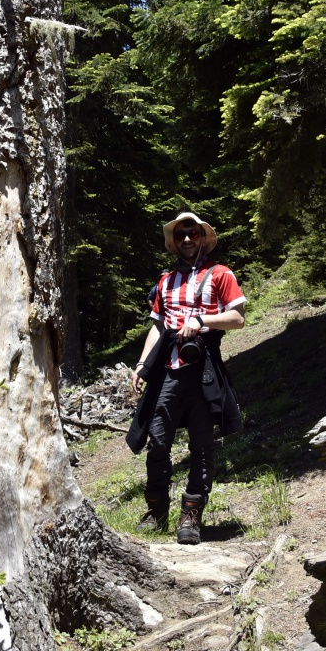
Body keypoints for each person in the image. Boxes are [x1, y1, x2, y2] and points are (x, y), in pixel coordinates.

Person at [125, 211, 245, 544]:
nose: (187, 240)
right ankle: (156, 510)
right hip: (167, 372)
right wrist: (141, 364)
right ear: (174, 243)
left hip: (204, 371)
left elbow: (237, 318)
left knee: (203, 446)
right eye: (181, 236)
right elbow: (157, 327)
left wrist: (203, 321)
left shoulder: (220, 274)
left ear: (203, 238)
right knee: (157, 441)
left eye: (192, 234)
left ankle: (191, 515)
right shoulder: (165, 281)